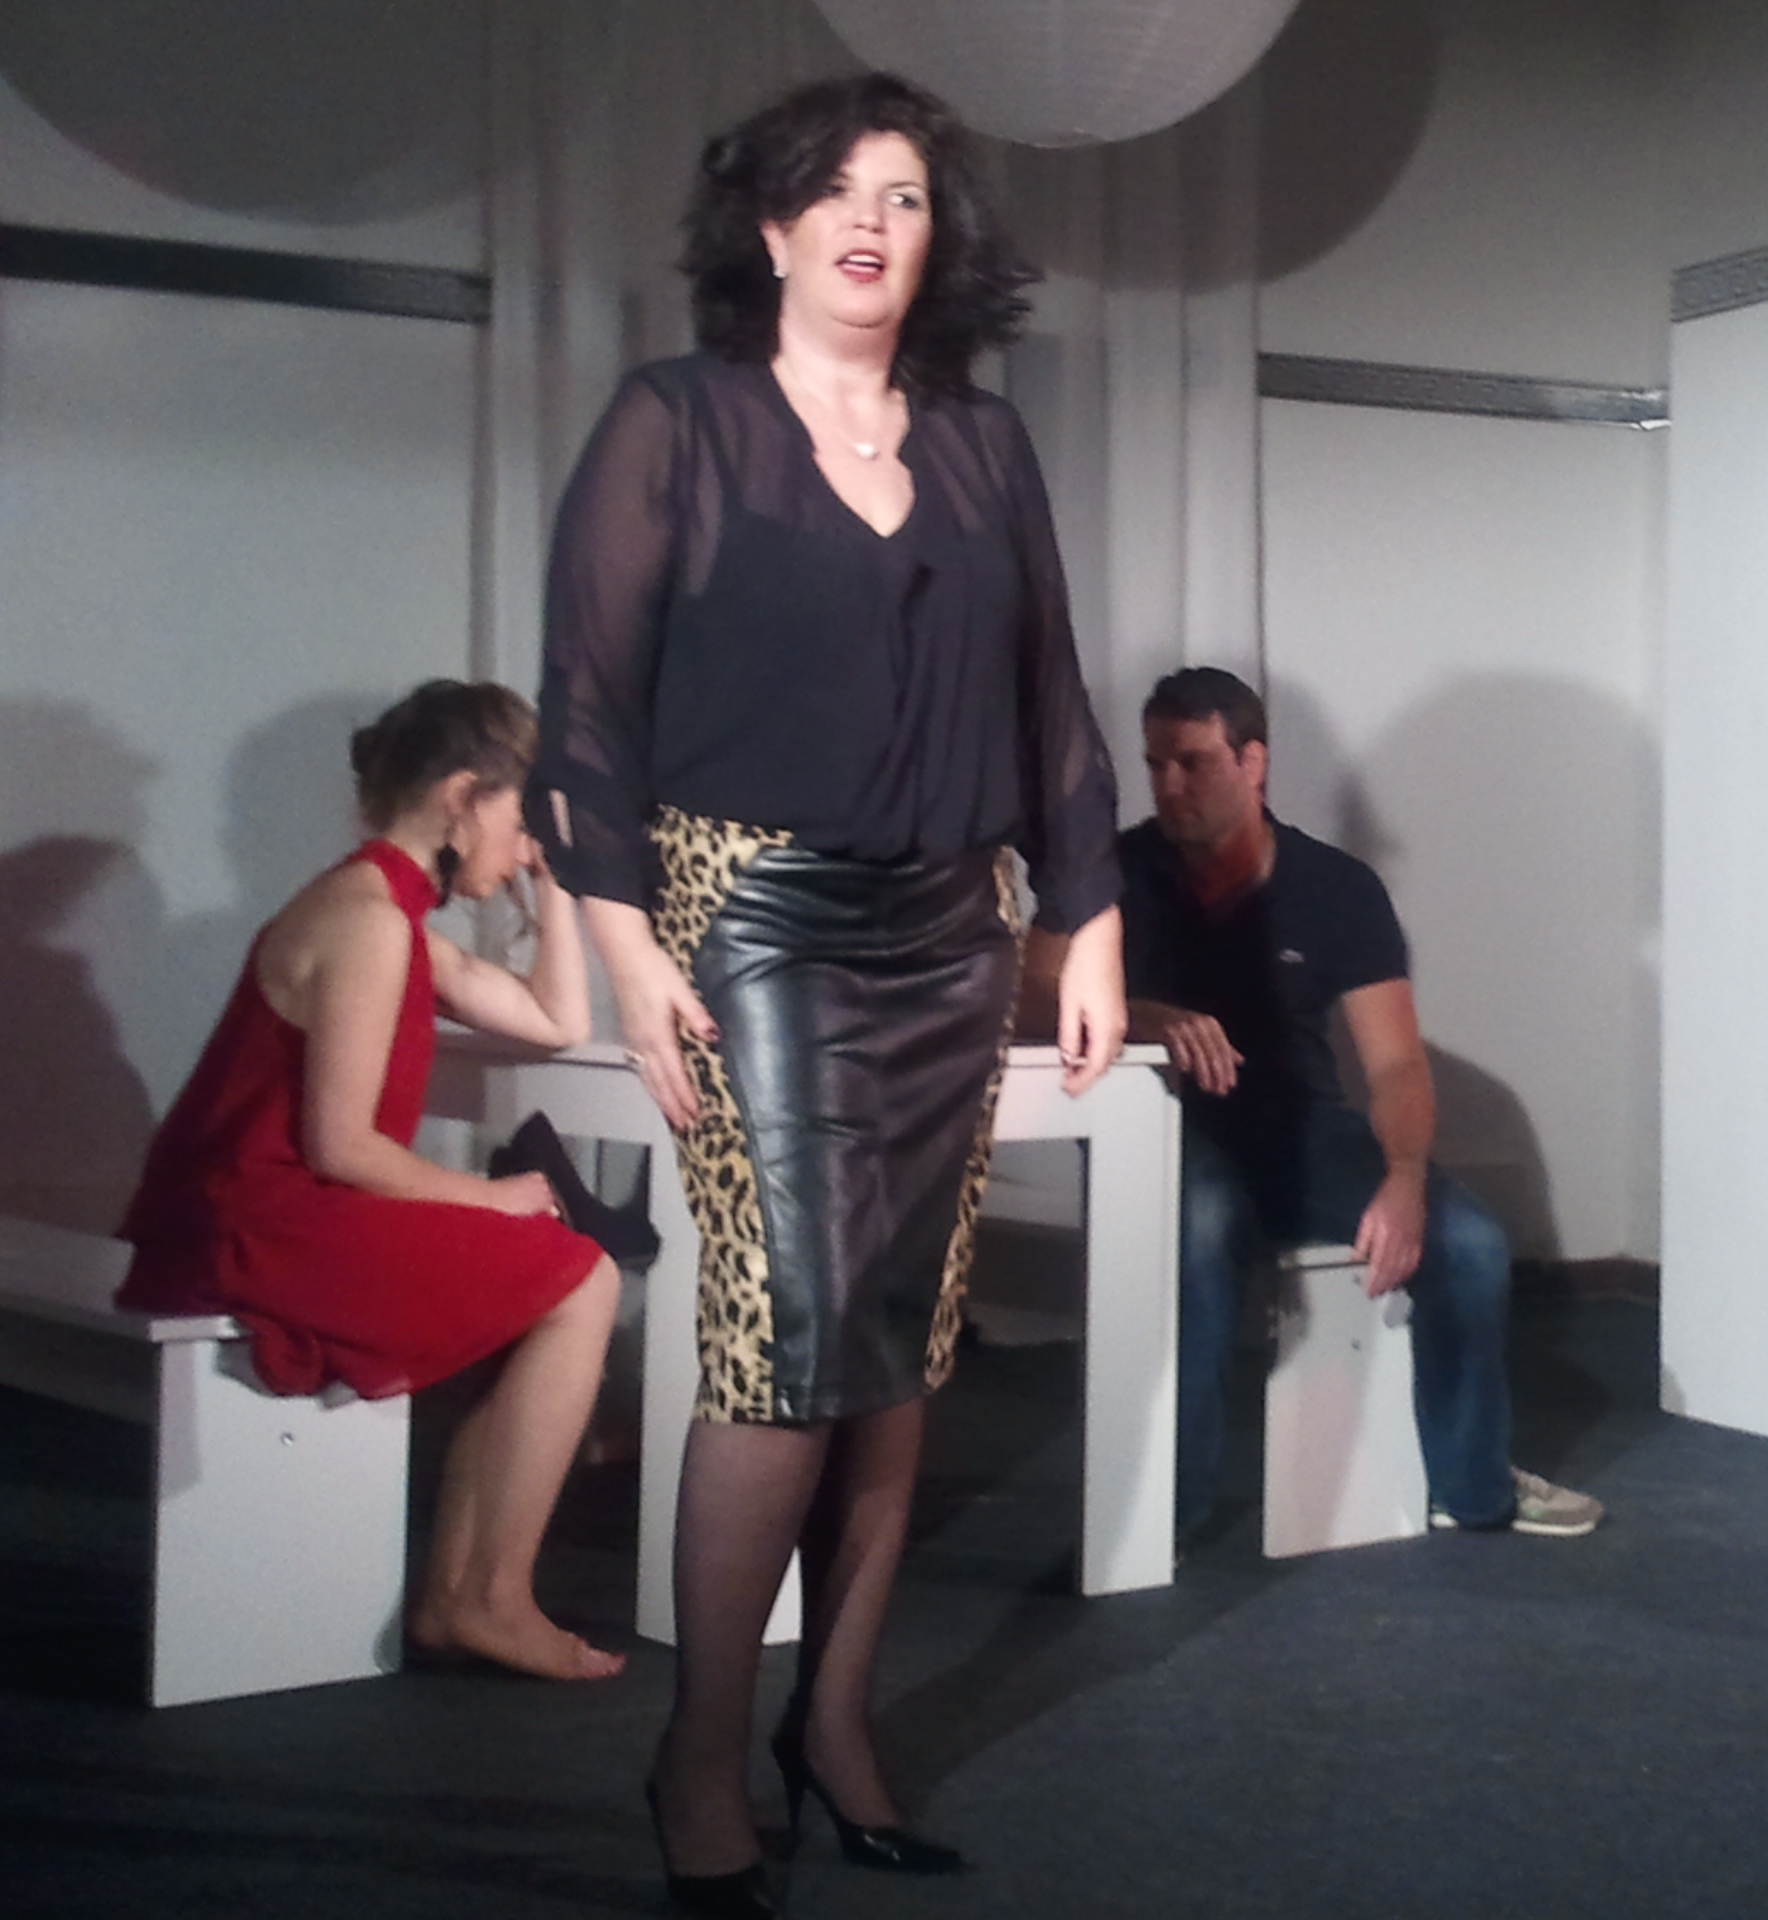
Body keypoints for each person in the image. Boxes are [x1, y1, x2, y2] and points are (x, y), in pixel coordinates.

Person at [530, 72, 1123, 1915]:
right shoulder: (677, 421)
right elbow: (585, 708)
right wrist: (628, 947)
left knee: (898, 1339)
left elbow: (1052, 699)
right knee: (785, 1339)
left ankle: (837, 1722)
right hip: (751, 911)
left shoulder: (985, 443)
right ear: (774, 230)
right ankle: (703, 1750)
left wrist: (1091, 926)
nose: (876, 221)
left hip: (955, 923)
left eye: (909, 197)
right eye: (840, 193)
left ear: (939, 243)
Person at [116, 680, 624, 1682]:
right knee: (582, 1276)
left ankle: (466, 1597)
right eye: (519, 816)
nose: (522, 843)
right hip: (257, 1219)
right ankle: (486, 1598)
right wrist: (494, 1197)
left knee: (565, 1270)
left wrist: (556, 887)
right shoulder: (370, 919)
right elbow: (341, 1145)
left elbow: (556, 1020)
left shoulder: (389, 909)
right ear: (463, 797)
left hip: (270, 1204)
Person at [1114, 666, 1603, 1546]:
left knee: (1470, 1241)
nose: (1169, 785)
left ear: (1252, 761)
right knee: (1201, 1224)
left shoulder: (1335, 888)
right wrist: (1147, 1017)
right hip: (1162, 1130)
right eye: (1155, 764)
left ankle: (1472, 1488)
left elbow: (1397, 1064)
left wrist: (1405, 1180)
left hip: (1298, 1132)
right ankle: (1163, 1515)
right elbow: (1031, 994)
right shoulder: (1117, 871)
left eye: (1192, 762)